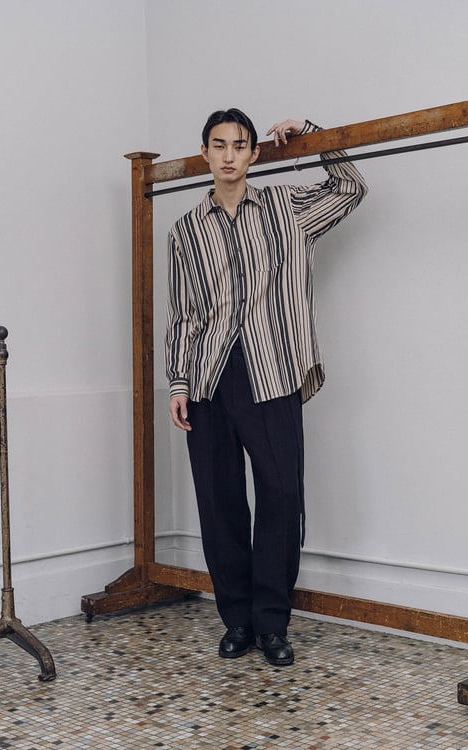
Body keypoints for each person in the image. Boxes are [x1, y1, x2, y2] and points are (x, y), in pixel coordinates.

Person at [165, 108, 367, 666]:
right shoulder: (185, 231)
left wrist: (313, 134)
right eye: (218, 145)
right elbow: (183, 314)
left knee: (281, 495)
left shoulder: (287, 208)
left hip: (273, 368)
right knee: (219, 499)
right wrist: (178, 382)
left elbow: (351, 188)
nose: (229, 155)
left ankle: (272, 623)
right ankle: (237, 620)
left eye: (239, 145)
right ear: (205, 153)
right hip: (208, 377)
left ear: (255, 153)